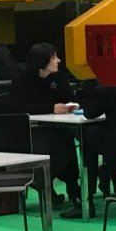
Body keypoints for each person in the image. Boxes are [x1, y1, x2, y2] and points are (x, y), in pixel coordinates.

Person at [10, 43, 84, 218]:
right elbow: (18, 107)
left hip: (57, 127)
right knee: (58, 142)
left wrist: (72, 106)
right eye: (54, 57)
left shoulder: (59, 79)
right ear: (42, 61)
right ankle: (67, 191)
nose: (58, 60)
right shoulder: (21, 81)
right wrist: (51, 108)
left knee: (64, 138)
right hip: (30, 131)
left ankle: (72, 192)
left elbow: (70, 98)